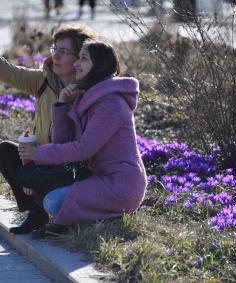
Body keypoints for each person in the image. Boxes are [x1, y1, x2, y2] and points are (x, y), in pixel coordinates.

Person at [0, 20, 97, 234]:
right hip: (41, 159)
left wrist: (38, 168)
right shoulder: (43, 80)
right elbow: (8, 72)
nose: (55, 55)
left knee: (42, 179)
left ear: (81, 58)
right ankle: (36, 213)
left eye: (64, 51)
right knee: (6, 152)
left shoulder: (90, 92)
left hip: (69, 167)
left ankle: (57, 210)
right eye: (55, 49)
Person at [17, 40, 147, 239]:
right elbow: (64, 143)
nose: (76, 64)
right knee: (42, 193)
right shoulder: (87, 95)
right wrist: (62, 105)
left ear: (100, 65)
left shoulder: (111, 103)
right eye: (78, 58)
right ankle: (92, 215)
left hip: (120, 185)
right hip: (95, 177)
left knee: (52, 202)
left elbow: (84, 149)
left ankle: (106, 216)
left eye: (84, 59)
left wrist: (39, 154)